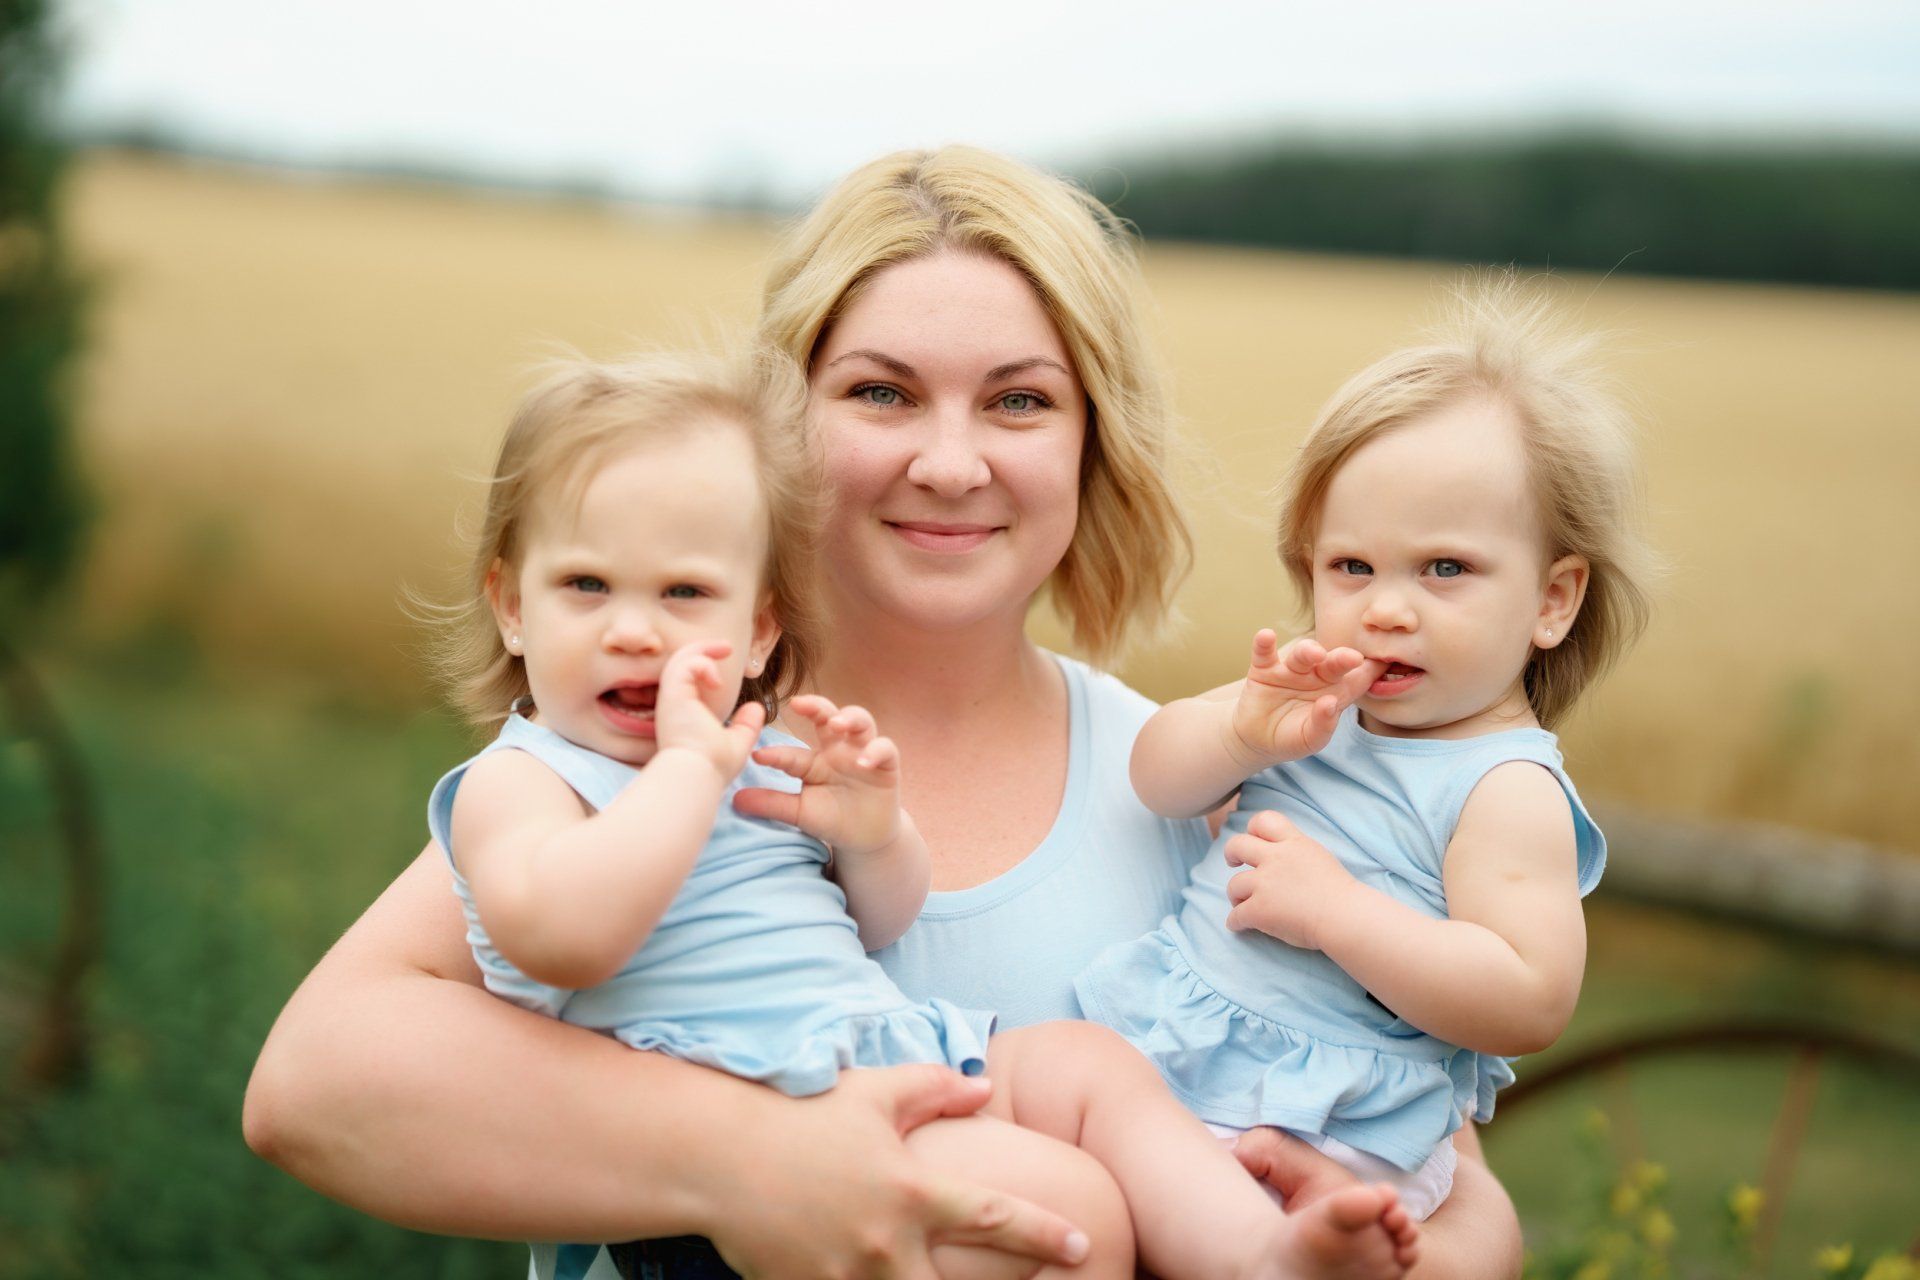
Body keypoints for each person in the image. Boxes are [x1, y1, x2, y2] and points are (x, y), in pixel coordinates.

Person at [243, 146, 1528, 1278]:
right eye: (881, 391)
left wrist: (1447, 1249)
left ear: (1092, 440)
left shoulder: (1190, 775)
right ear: (779, 428)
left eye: (1021, 399)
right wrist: (749, 1162)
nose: (952, 461)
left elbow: (1433, 1163)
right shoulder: (657, 745)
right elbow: (316, 1084)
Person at [428, 349, 1418, 1279]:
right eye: (585, 586)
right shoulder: (527, 779)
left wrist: (872, 837)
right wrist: (688, 771)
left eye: (686, 592)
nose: (635, 630)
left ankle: (1266, 1253)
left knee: (1089, 1065)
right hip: (753, 1135)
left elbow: (879, 924)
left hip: (878, 1053)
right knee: (1070, 1212)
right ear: (512, 605)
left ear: (759, 624)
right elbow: (562, 938)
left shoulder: (751, 748)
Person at [1079, 279, 1656, 1220]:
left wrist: (1337, 913)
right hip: (1178, 1055)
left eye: (1445, 569)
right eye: (1352, 567)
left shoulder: (1502, 789)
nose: (1386, 606)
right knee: (1046, 1080)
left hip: (1326, 1127)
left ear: (1553, 600)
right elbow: (1156, 778)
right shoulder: (1313, 704)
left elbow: (1528, 996)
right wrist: (1237, 731)